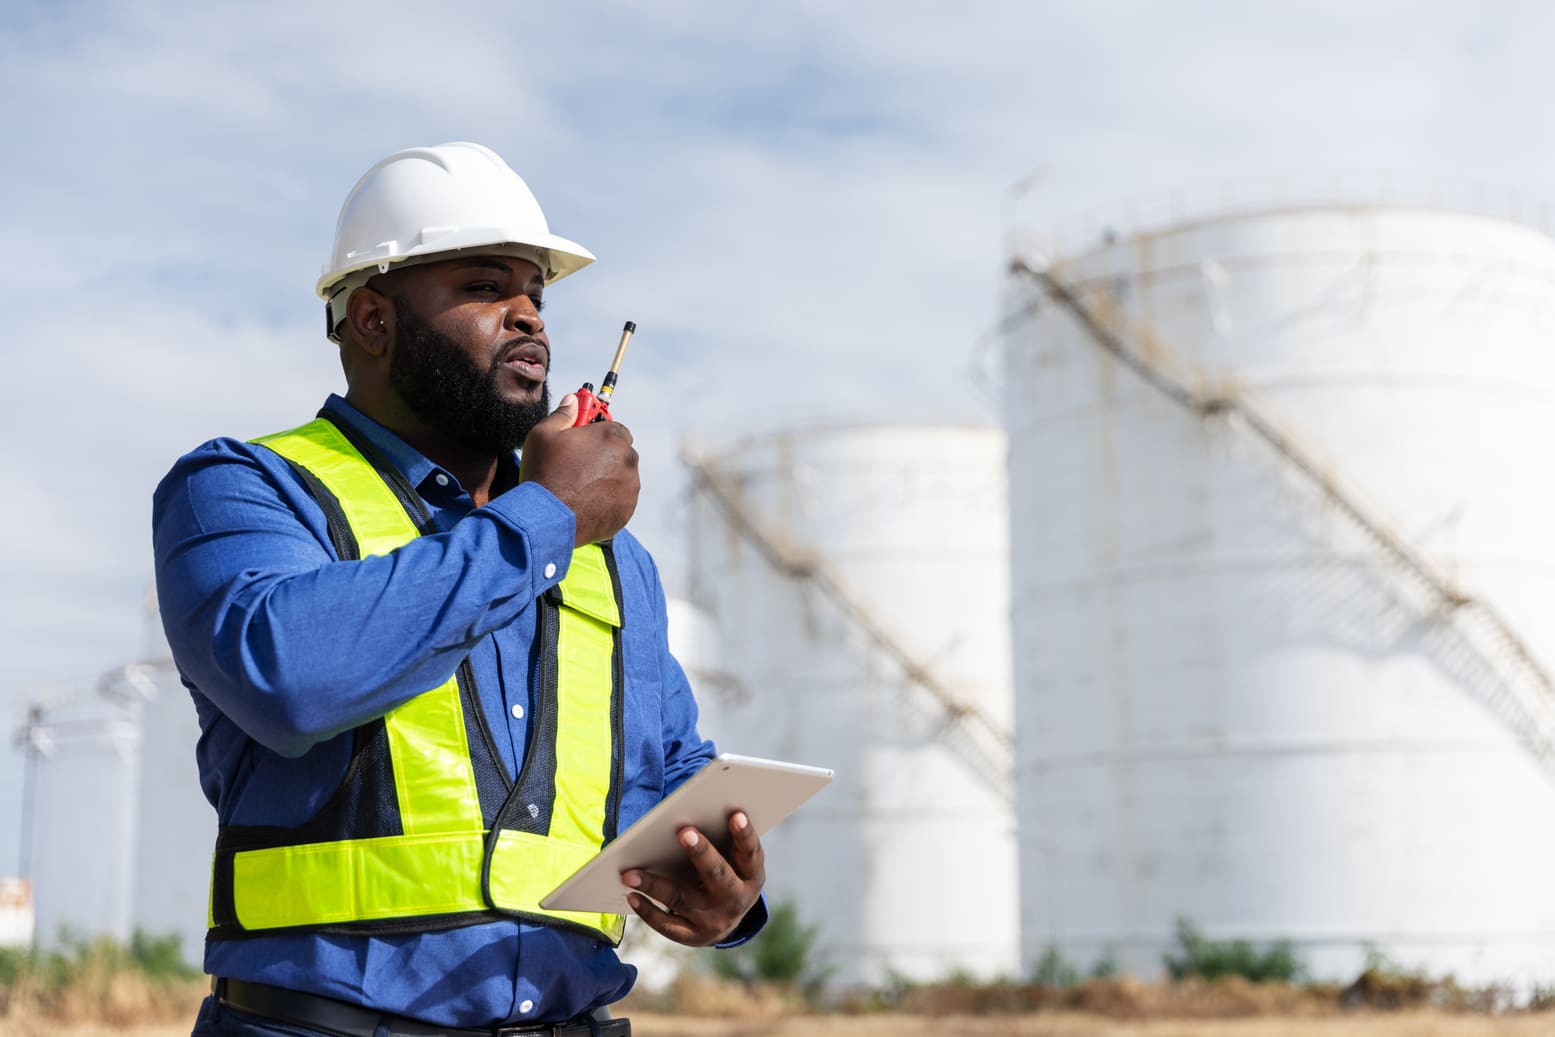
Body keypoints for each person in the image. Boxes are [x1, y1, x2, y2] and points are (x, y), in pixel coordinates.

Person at [152, 142, 767, 1037]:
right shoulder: (246, 488)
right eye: (485, 286)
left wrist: (722, 888)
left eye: (537, 295)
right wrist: (546, 515)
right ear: (373, 319)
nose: (529, 317)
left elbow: (663, 772)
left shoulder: (609, 557)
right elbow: (288, 676)